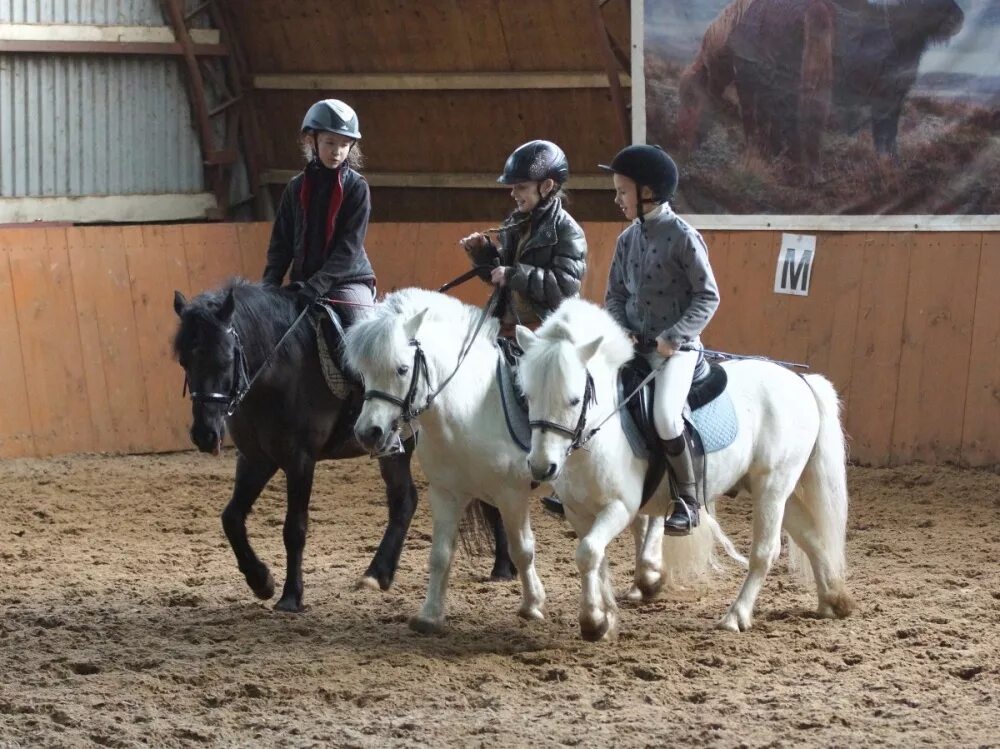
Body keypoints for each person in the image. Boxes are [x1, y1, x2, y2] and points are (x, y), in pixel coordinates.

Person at [600, 145, 720, 535]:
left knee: (666, 417)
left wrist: (674, 337)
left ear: (647, 191)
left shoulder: (684, 237)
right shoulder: (626, 240)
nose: (616, 199)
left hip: (675, 352)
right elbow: (614, 296)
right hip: (634, 348)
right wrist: (624, 330)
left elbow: (708, 296)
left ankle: (687, 499)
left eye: (622, 191)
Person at [263, 98, 376, 332]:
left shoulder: (357, 188)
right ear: (310, 140)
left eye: (345, 144)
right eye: (330, 142)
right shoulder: (295, 188)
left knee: (362, 335)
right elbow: (280, 245)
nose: (337, 151)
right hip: (303, 286)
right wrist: (268, 287)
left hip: (347, 283)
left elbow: (348, 249)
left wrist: (317, 286)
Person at [459, 140, 587, 336]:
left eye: (521, 187)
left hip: (546, 330)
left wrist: (513, 275)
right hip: (506, 325)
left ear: (546, 186)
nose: (513, 193)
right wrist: (482, 251)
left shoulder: (569, 230)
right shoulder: (516, 223)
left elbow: (563, 287)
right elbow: (499, 275)